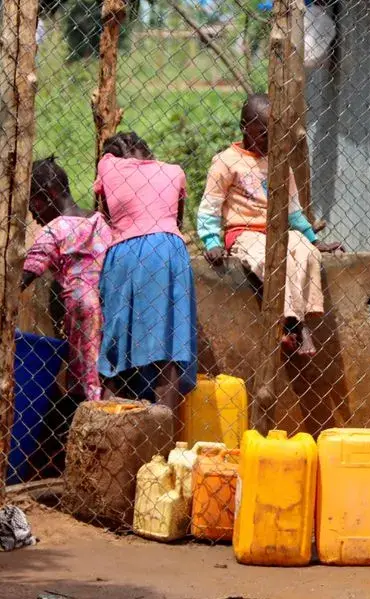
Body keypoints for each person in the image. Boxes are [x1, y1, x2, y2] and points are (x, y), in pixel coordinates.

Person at [197, 94, 341, 357]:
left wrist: (313, 238)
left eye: (275, 133)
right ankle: (297, 325)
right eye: (263, 134)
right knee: (270, 260)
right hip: (244, 232)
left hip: (278, 231)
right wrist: (211, 241)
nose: (270, 140)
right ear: (245, 127)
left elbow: (293, 207)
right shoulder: (226, 161)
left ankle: (293, 323)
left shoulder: (279, 160)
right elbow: (210, 205)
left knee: (306, 253)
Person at [96, 132, 197, 411]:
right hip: (170, 253)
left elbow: (107, 216)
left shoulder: (107, 166)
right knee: (170, 347)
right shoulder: (173, 172)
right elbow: (176, 219)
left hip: (126, 254)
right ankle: (165, 445)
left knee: (118, 347)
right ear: (149, 156)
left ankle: (113, 430)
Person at [22, 157, 111, 402]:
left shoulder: (55, 230)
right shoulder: (99, 221)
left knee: (85, 366)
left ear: (50, 194)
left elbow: (29, 271)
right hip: (110, 301)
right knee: (103, 366)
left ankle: (89, 417)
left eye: (34, 205)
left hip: (81, 307)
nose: (33, 214)